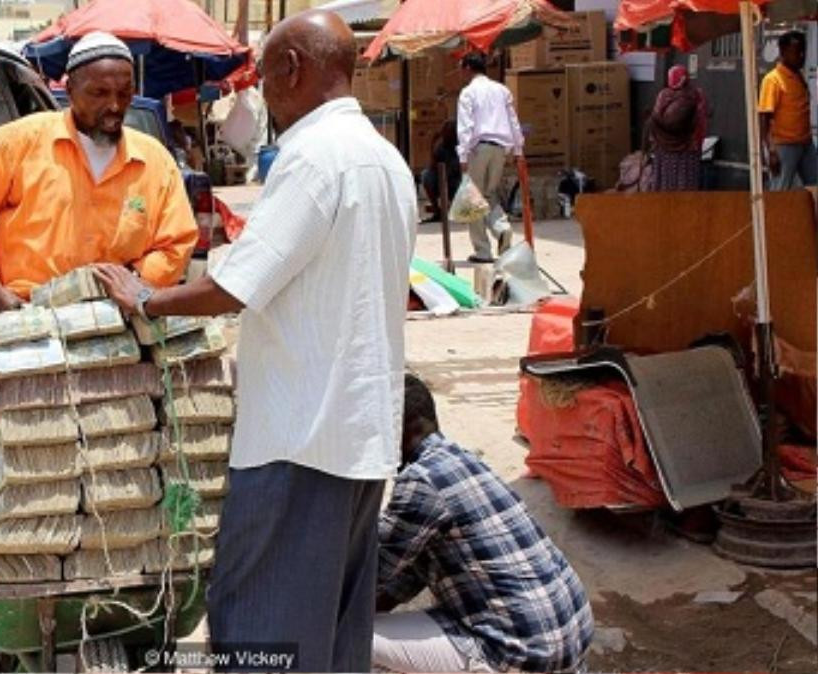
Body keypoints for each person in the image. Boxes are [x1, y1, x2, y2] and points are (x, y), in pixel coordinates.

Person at [93, 10, 417, 671]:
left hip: (299, 441)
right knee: (331, 630)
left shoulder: (313, 157)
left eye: (265, 77)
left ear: (292, 69)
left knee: (263, 630)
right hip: (358, 438)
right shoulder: (384, 158)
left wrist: (146, 299)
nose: (263, 93)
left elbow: (234, 286)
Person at [0, 31, 198, 313]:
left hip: (118, 330)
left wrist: (131, 285)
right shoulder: (19, 143)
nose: (114, 106)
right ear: (70, 89)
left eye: (124, 94)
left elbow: (177, 242)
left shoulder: (155, 160)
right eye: (99, 93)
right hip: (27, 323)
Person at [374, 374, 594, 673]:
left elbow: (370, 572)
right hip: (569, 636)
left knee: (346, 633)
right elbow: (411, 571)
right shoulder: (459, 459)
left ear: (400, 428)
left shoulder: (421, 481)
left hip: (523, 653)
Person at [456, 52, 523, 263]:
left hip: (479, 148)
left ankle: (482, 250)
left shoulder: (468, 93)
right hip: (500, 148)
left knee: (472, 198)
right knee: (490, 194)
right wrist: (518, 150)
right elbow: (513, 121)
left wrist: (463, 154)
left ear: (468, 68)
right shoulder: (502, 90)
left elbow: (466, 126)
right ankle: (502, 228)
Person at [759, 31, 815, 190]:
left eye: (803, 51)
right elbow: (764, 117)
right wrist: (770, 151)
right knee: (780, 190)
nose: (801, 56)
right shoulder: (773, 80)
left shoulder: (798, 77)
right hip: (784, 145)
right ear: (783, 52)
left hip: (805, 143)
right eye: (796, 52)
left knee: (814, 184)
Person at [650, 65, 708, 191]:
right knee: (686, 185)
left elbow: (654, 120)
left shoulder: (663, 96)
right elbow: (701, 122)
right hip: (688, 150)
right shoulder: (697, 96)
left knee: (664, 185)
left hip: (663, 151)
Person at [419, 119, 462, 223]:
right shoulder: (441, 147)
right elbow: (432, 166)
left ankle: (459, 210)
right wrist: (432, 145)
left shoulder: (461, 147)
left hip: (457, 183)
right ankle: (438, 212)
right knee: (426, 175)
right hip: (443, 182)